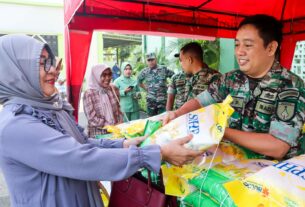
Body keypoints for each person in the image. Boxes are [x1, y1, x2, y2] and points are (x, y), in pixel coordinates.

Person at [0, 34, 202, 207]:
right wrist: (155, 154)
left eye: (50, 61)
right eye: (41, 63)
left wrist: (122, 144)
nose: (52, 70)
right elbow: (79, 158)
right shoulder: (16, 124)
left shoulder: (48, 107)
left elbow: (82, 142)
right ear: (17, 72)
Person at [164, 14, 305, 160]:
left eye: (248, 45)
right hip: (234, 163)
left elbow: (278, 146)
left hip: (273, 174)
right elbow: (201, 101)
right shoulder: (232, 79)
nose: (239, 51)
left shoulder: (290, 86)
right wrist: (177, 113)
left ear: (270, 48)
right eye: (237, 44)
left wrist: (222, 131)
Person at [166, 42, 221, 110]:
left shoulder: (215, 78)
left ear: (189, 60)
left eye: (181, 60)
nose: (181, 64)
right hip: (179, 119)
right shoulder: (178, 77)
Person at [83, 64, 123, 138]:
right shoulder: (89, 94)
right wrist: (109, 126)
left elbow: (118, 109)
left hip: (116, 133)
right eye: (104, 75)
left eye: (109, 74)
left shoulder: (113, 89)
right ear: (96, 76)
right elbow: (92, 119)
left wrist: (120, 121)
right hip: (99, 136)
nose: (107, 78)